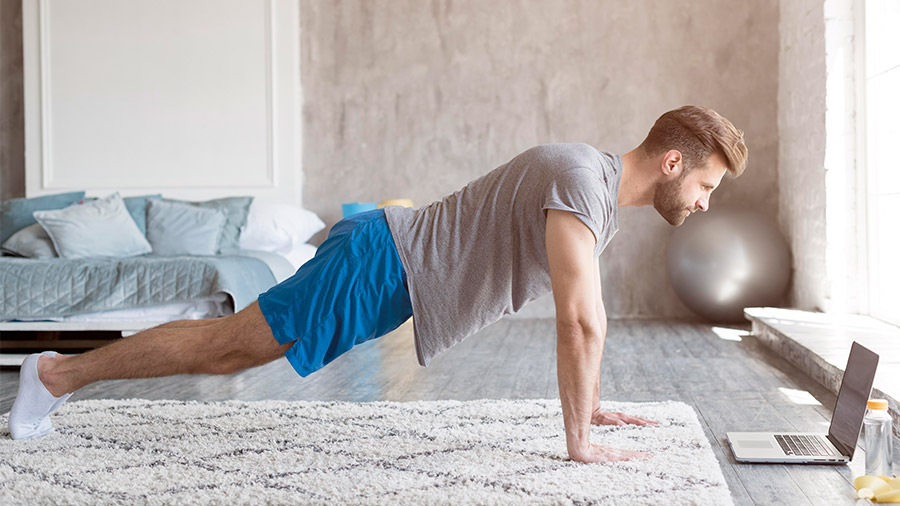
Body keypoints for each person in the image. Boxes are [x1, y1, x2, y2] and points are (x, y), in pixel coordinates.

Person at [9, 105, 748, 464]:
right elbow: (580, 320)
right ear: (675, 163)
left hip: (387, 267)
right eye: (709, 186)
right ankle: (56, 374)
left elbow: (582, 315)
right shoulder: (581, 181)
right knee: (224, 349)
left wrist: (591, 406)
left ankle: (60, 375)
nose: (706, 204)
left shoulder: (589, 186)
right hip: (381, 265)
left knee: (227, 348)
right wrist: (579, 437)